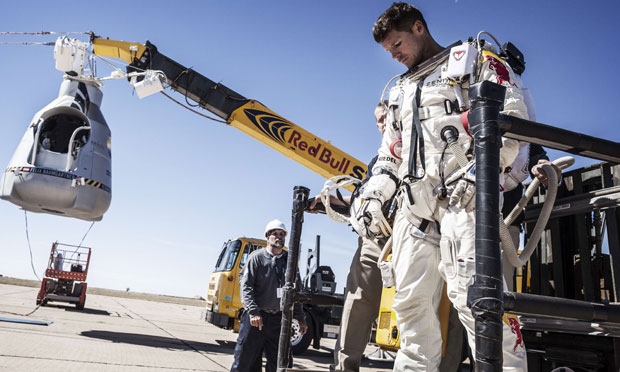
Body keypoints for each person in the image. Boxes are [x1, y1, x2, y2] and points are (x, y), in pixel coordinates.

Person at [357, 3, 529, 370]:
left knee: (479, 304)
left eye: (398, 44)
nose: (395, 55)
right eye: (389, 51)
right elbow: (390, 154)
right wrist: (372, 197)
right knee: (410, 307)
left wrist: (478, 173)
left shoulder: (475, 62)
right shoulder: (401, 90)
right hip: (415, 211)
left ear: (418, 27)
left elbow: (512, 123)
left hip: (465, 205)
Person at [308, 103, 387, 372]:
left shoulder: (424, 146)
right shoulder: (376, 163)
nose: (383, 123)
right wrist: (331, 201)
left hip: (416, 234)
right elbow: (360, 200)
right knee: (358, 299)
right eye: (378, 120)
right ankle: (344, 367)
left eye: (387, 117)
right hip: (375, 239)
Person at [230, 219, 307, 372]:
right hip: (256, 320)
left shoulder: (289, 261)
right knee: (244, 361)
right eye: (275, 234)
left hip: (279, 321)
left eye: (281, 234)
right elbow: (246, 287)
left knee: (280, 363)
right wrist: (253, 312)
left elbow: (295, 292)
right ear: (267, 237)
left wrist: (301, 318)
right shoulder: (256, 258)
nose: (278, 237)